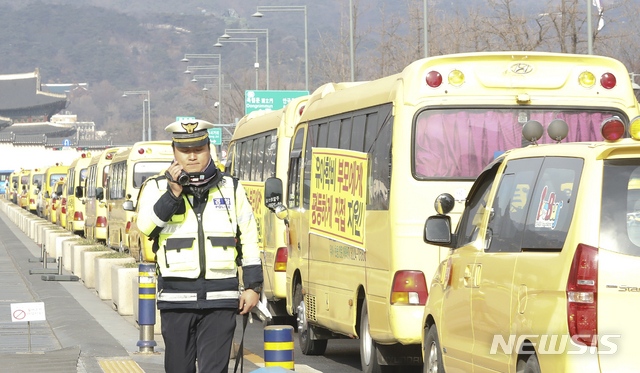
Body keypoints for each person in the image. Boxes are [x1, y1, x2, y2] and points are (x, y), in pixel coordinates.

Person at [137, 118, 262, 373]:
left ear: (209, 149)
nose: (192, 157)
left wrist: (253, 287)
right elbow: (147, 227)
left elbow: (249, 238)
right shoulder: (155, 187)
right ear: (174, 152)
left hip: (221, 299)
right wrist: (173, 194)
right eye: (184, 151)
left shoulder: (231, 188)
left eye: (198, 150)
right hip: (176, 299)